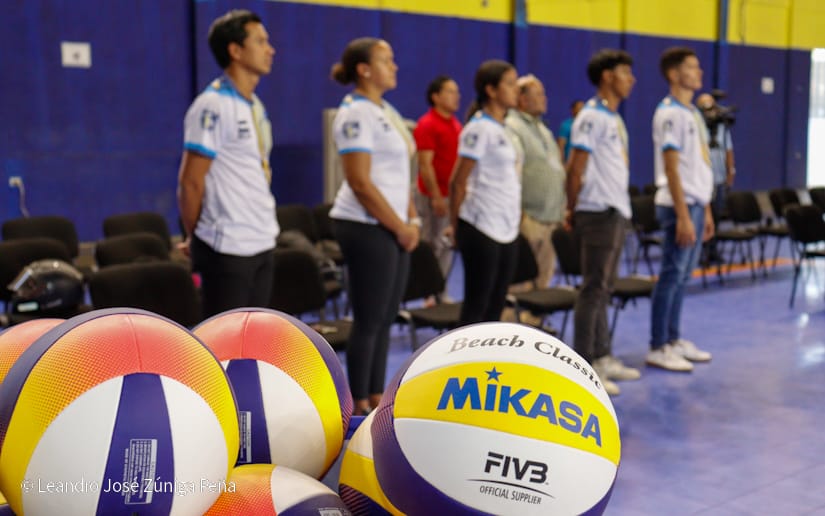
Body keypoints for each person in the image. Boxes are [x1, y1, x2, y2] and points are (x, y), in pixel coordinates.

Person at [329, 37, 419, 415]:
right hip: (365, 225)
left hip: (393, 224)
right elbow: (360, 182)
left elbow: (399, 176)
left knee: (385, 317)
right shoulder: (355, 113)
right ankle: (358, 406)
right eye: (387, 60)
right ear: (364, 69)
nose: (394, 66)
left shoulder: (385, 111)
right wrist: (399, 226)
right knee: (368, 320)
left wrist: (411, 218)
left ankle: (376, 397)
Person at [177, 9, 279, 320]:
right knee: (223, 347)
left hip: (262, 238)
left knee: (252, 344)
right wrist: (196, 236)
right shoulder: (213, 105)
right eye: (260, 41)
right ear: (235, 51)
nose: (270, 49)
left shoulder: (254, 104)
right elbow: (191, 181)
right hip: (228, 246)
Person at [565, 49, 639, 396]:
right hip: (596, 210)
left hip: (615, 210)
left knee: (605, 286)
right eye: (625, 73)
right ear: (608, 76)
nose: (631, 80)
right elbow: (575, 167)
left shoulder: (610, 117)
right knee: (592, 288)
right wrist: (572, 207)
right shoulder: (591, 117)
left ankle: (603, 353)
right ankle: (584, 364)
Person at [646, 47, 715, 372]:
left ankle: (673, 339)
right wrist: (685, 215)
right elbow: (672, 168)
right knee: (671, 276)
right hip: (679, 206)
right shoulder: (670, 113)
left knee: (684, 276)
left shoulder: (691, 112)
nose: (699, 73)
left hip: (695, 203)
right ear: (674, 74)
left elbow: (698, 164)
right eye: (692, 67)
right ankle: (658, 345)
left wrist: (707, 209)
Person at [450, 60, 521, 326]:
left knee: (496, 304)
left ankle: (488, 366)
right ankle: (460, 365)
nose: (516, 90)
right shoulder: (478, 128)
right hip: (481, 226)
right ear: (491, 90)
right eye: (510, 84)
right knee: (476, 305)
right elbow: (458, 181)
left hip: (506, 226)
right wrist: (455, 225)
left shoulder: (503, 128)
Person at [505, 74, 566, 305]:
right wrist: (518, 212)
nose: (544, 98)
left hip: (550, 216)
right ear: (522, 99)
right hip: (528, 216)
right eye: (538, 94)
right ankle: (512, 334)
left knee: (543, 285)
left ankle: (533, 330)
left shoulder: (543, 128)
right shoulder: (513, 127)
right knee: (519, 287)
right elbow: (512, 171)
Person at [412, 76, 462, 291]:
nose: (456, 96)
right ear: (436, 96)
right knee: (431, 246)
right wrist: (436, 197)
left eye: (457, 91)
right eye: (450, 91)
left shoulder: (456, 125)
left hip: (451, 196)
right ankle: (428, 293)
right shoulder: (427, 124)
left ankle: (439, 290)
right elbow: (425, 165)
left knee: (446, 246)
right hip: (433, 196)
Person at [696, 92, 735, 263]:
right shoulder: (696, 128)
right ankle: (699, 251)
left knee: (717, 216)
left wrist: (730, 172)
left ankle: (712, 251)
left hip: (719, 179)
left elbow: (729, 151)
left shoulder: (721, 127)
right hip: (702, 180)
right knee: (702, 218)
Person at [557, 99, 585, 163]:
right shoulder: (566, 125)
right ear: (573, 110)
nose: (582, 111)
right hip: (568, 165)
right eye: (579, 108)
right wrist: (562, 165)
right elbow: (561, 147)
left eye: (583, 108)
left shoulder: (588, 127)